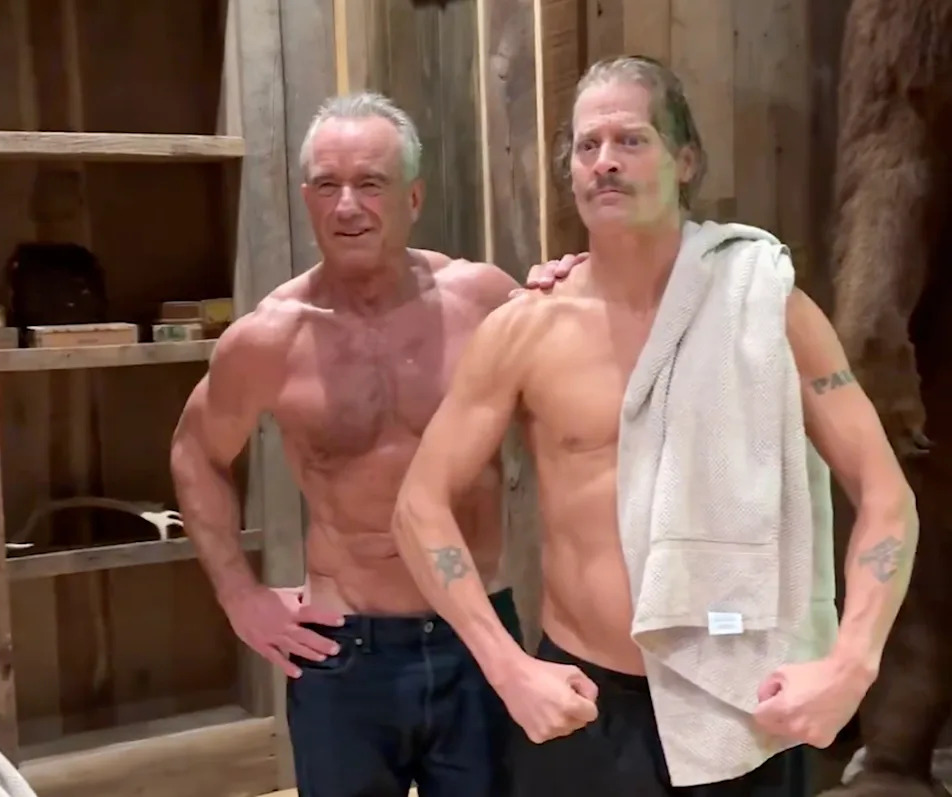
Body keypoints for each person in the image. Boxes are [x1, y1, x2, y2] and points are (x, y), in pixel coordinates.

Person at [390, 56, 919, 796]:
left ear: (686, 160)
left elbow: (887, 496)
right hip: (587, 704)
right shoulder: (526, 329)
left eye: (631, 140)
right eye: (587, 145)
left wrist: (850, 664)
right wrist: (507, 667)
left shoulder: (765, 305)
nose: (605, 161)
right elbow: (418, 507)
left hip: (744, 699)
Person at [169, 91, 575, 797]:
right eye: (327, 185)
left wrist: (573, 286)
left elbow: (583, 402)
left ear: (413, 197)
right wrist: (238, 593)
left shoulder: (483, 302)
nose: (347, 206)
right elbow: (194, 451)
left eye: (370, 183)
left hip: (477, 635)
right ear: (307, 198)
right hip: (344, 648)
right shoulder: (271, 337)